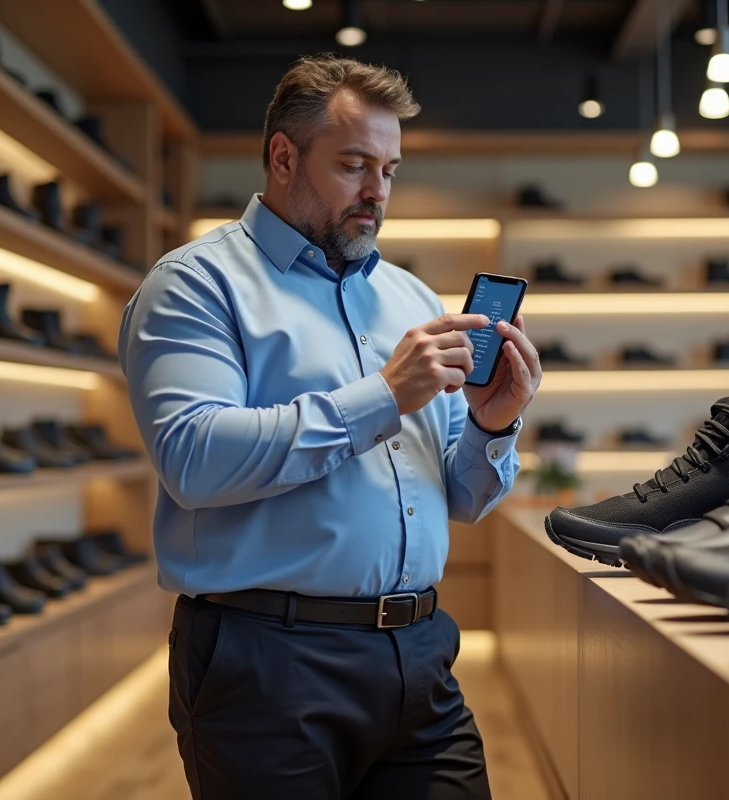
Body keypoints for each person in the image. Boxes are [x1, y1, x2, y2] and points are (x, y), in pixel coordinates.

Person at [119, 55, 542, 798]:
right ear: (283, 157)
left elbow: (464, 499)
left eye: (390, 170)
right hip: (267, 666)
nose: (377, 193)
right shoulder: (195, 284)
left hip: (422, 654)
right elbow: (193, 459)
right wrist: (382, 395)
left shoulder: (410, 297)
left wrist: (490, 427)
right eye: (354, 166)